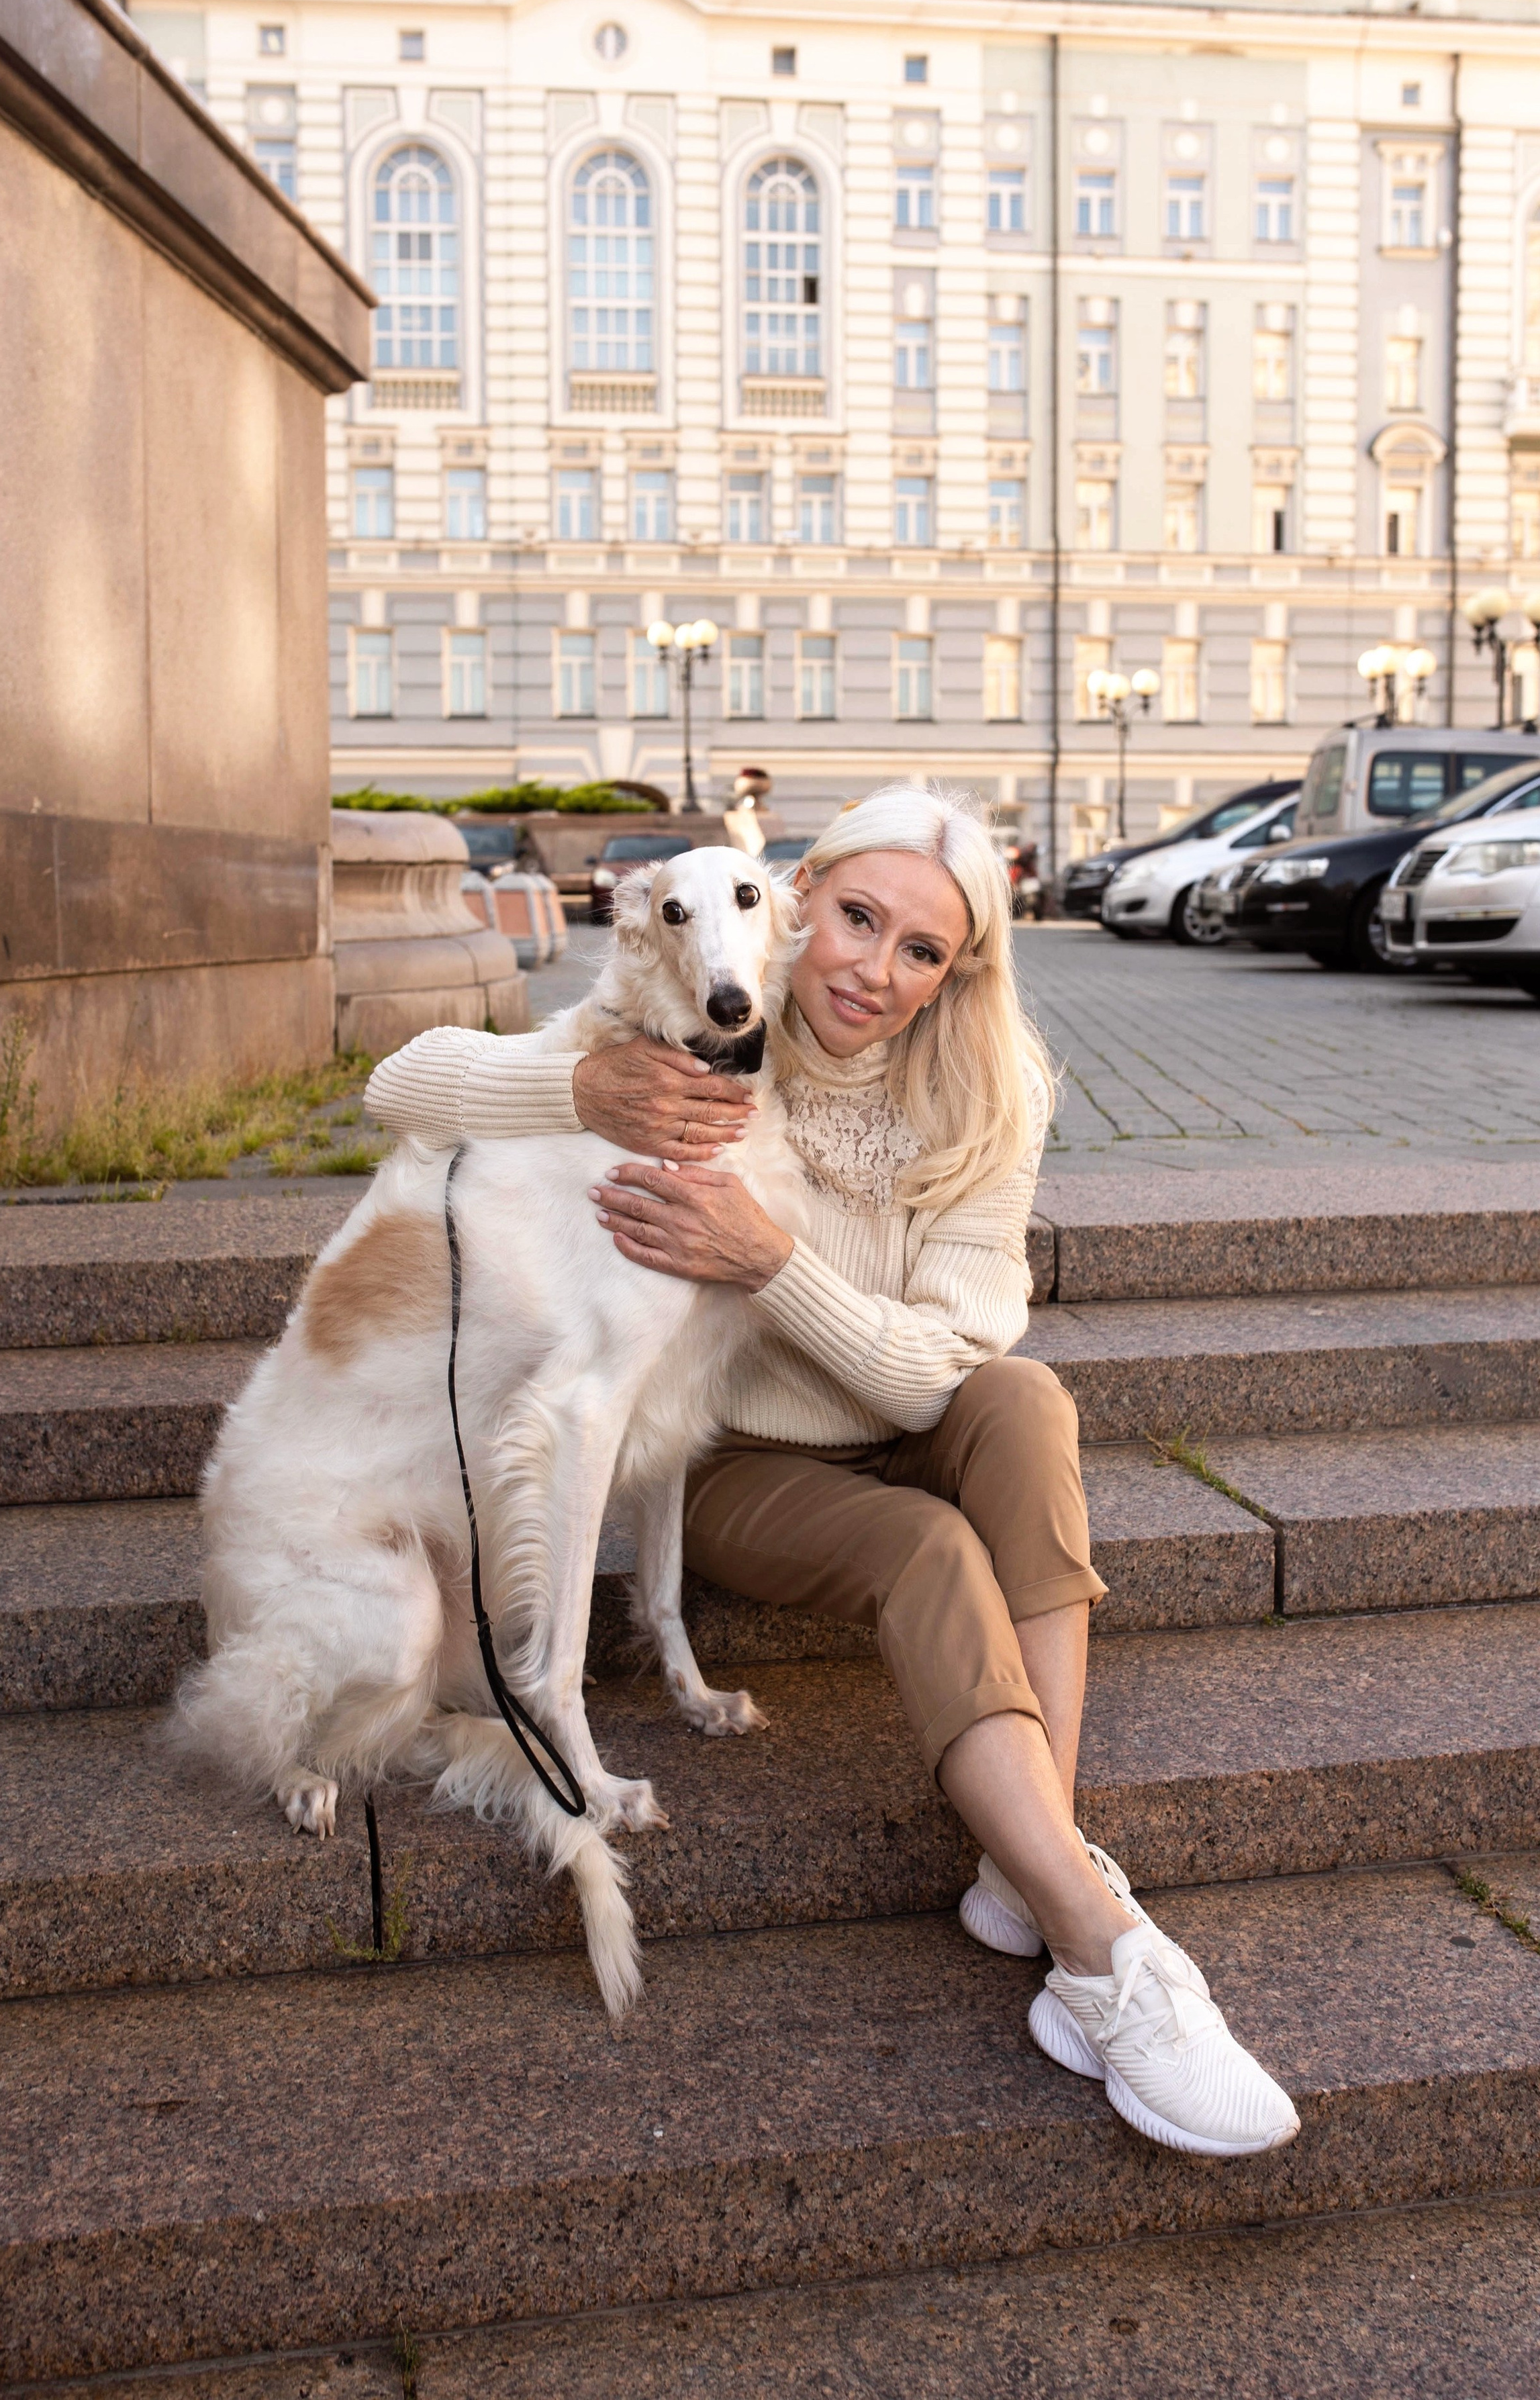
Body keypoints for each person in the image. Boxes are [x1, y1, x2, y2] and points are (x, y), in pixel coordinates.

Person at [366, 783, 1297, 2160]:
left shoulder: (991, 1086)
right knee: (932, 1552)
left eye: (920, 950)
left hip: (903, 1409)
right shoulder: (715, 1009)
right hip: (741, 1461)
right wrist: (569, 1084)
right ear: (796, 906)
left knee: (1024, 1398)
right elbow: (394, 1085)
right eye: (854, 920)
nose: (871, 968)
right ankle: (1099, 1950)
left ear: (955, 972)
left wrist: (769, 1262)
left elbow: (938, 1372)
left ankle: (1017, 1859)